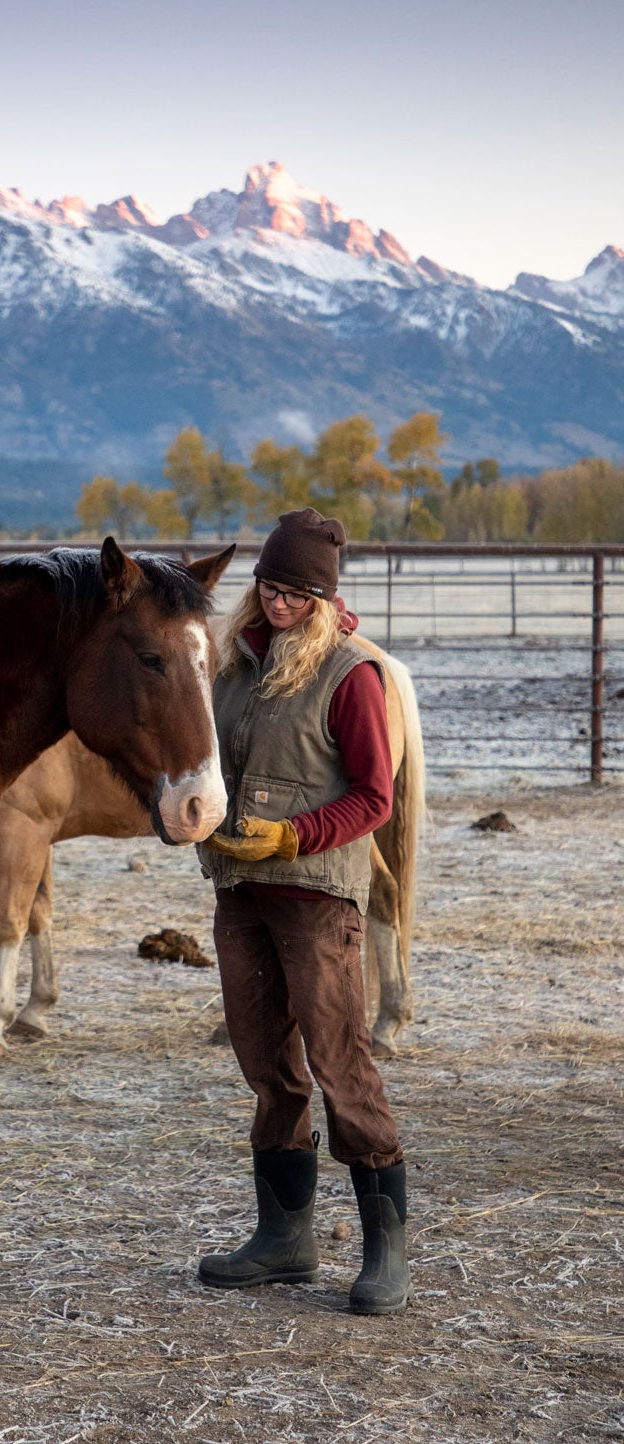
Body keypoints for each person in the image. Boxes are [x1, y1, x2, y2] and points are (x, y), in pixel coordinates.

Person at [196, 507, 409, 1314]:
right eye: (270, 587)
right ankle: (285, 1239)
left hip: (316, 897)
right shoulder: (234, 664)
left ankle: (387, 1249)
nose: (278, 603)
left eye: (296, 593)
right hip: (239, 893)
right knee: (266, 1066)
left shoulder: (351, 673)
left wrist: (292, 838)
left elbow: (374, 798)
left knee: (339, 1063)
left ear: (322, 598)